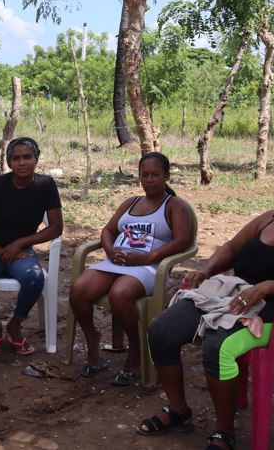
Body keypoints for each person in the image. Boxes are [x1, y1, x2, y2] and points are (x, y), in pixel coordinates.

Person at [137, 156, 274, 450]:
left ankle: (224, 432)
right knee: (161, 331)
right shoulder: (268, 219)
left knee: (218, 346)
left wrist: (268, 287)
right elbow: (232, 247)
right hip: (232, 298)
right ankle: (178, 409)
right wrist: (207, 270)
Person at [68, 152, 193, 386]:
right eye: (144, 175)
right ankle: (93, 341)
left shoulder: (174, 205)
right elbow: (108, 230)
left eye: (155, 174)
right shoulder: (131, 203)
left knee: (120, 294)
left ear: (166, 176)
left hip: (149, 266)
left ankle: (136, 349)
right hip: (116, 262)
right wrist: (109, 250)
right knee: (79, 289)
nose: (149, 180)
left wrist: (149, 256)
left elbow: (182, 241)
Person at [0, 137, 63, 356]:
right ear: (9, 162)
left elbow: (56, 228)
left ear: (36, 159)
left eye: (27, 157)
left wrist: (20, 243)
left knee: (34, 278)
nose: (22, 162)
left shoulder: (45, 185)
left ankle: (15, 324)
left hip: (22, 251)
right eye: (16, 158)